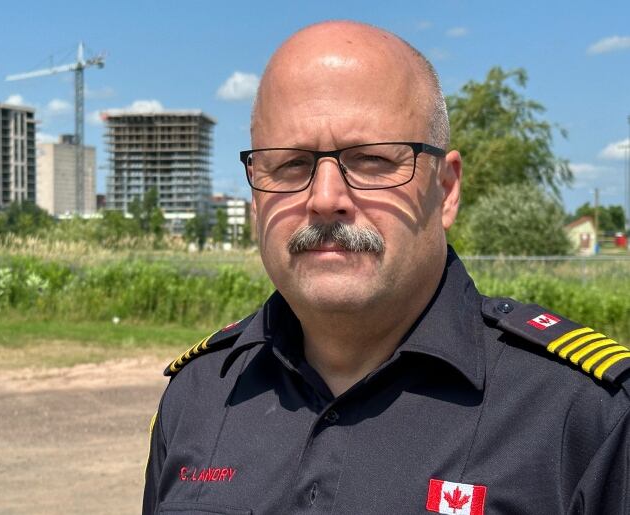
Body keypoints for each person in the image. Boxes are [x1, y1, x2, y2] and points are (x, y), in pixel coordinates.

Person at [143, 21, 630, 514]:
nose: (325, 199)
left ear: (446, 189)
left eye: (371, 160)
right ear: (253, 197)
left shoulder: (585, 420)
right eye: (290, 164)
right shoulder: (198, 397)